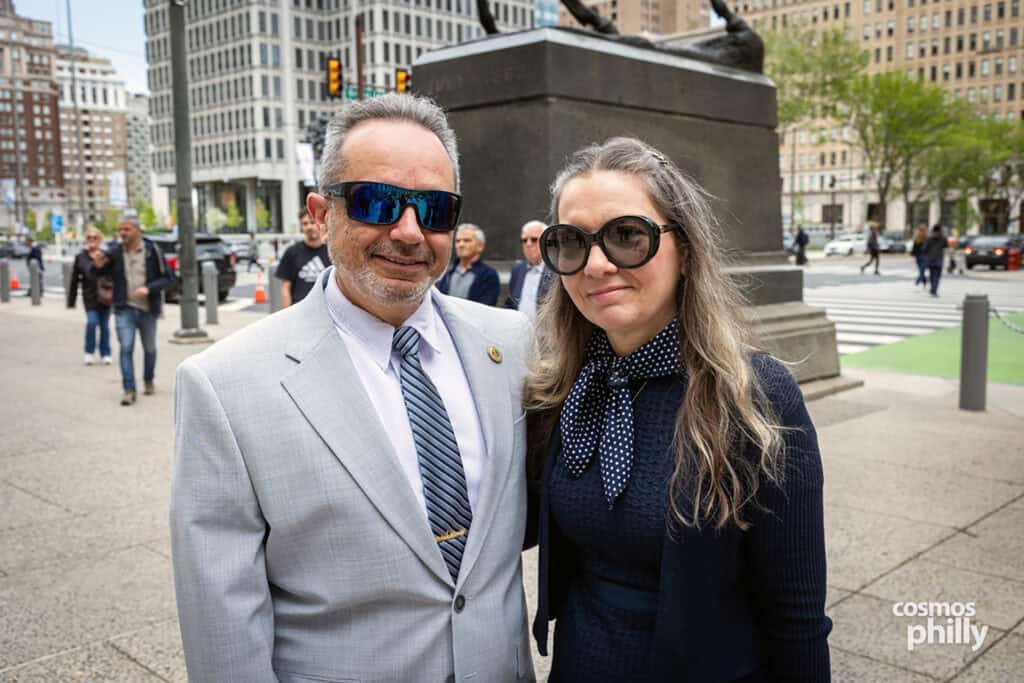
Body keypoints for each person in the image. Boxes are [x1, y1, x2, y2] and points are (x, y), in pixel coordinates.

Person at [170, 94, 535, 682]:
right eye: (378, 202)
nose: (410, 232)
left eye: (434, 209)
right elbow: (224, 627)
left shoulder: (513, 344)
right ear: (321, 213)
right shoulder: (225, 386)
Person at [524, 137, 831, 682]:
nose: (596, 265)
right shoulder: (559, 390)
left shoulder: (756, 394)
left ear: (684, 250)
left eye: (626, 236)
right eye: (569, 242)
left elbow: (797, 619)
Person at [92, 212, 173, 405]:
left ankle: (148, 379)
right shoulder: (115, 252)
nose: (122, 233)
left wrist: (149, 288)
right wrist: (96, 265)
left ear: (137, 230)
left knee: (150, 349)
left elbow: (169, 278)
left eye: (127, 229)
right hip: (124, 308)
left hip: (147, 309)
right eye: (120, 229)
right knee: (126, 348)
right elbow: (98, 273)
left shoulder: (152, 250)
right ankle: (129, 389)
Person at [67, 226, 112, 365]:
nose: (92, 240)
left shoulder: (107, 256)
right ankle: (89, 352)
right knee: (92, 322)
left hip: (105, 296)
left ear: (100, 240)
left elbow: (113, 275)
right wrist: (71, 301)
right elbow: (75, 280)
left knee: (104, 326)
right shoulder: (81, 257)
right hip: (90, 297)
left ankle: (106, 353)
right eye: (89, 238)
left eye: (95, 238)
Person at [274, 208, 330, 306]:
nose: (309, 227)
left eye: (312, 222)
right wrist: (287, 315)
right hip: (299, 310)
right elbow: (285, 288)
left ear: (320, 224)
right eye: (305, 224)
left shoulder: (331, 251)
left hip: (326, 309)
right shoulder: (291, 252)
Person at [436, 223, 500, 305]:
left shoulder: (489, 275)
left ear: (480, 246)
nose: (461, 245)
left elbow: (486, 308)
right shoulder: (448, 272)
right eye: (457, 241)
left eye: (467, 240)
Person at [505, 219, 554, 319]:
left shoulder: (556, 270)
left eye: (534, 239)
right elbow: (510, 303)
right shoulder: (518, 269)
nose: (528, 244)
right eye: (524, 240)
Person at [923, 223, 947, 297]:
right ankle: (934, 290)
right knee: (937, 276)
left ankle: (932, 289)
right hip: (939, 259)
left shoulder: (929, 238)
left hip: (930, 259)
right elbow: (946, 246)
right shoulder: (943, 238)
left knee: (932, 275)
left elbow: (924, 249)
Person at [910, 222, 928, 288]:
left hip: (919, 256)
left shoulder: (918, 237)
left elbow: (914, 248)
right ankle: (923, 281)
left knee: (921, 270)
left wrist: (913, 254)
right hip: (923, 256)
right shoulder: (926, 237)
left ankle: (919, 280)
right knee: (921, 270)